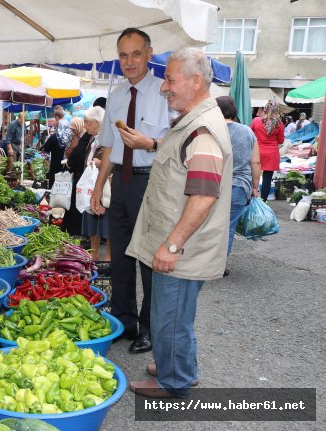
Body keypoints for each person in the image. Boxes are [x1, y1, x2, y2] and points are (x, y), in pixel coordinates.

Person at [126, 48, 233, 398]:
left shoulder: (202, 129)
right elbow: (181, 155)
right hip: (185, 244)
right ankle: (178, 365)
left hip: (183, 247)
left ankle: (175, 383)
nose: (163, 87)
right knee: (176, 314)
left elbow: (203, 196)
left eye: (171, 79)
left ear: (196, 81)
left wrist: (172, 246)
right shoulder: (194, 122)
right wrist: (153, 142)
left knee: (170, 317)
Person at [90, 28, 170, 354]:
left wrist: (149, 143)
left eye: (136, 53)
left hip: (150, 180)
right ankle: (124, 321)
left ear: (149, 54)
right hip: (119, 184)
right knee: (120, 255)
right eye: (123, 55)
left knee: (149, 258)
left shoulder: (165, 93)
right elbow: (108, 147)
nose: (129, 61)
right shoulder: (117, 96)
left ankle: (149, 328)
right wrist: (98, 188)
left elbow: (180, 143)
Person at [216, 96, 260, 268]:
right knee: (228, 228)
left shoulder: (210, 130)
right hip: (239, 186)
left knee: (206, 225)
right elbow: (255, 162)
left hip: (211, 184)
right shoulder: (248, 132)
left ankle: (202, 263)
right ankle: (219, 265)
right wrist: (255, 187)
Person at [78, 107, 111, 261]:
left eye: (87, 122)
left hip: (106, 187)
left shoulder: (108, 138)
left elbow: (114, 161)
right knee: (91, 219)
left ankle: (109, 257)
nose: (85, 126)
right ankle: (94, 253)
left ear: (97, 123)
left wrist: (100, 162)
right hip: (91, 185)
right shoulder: (92, 139)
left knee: (107, 221)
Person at [250, 100, 284, 201]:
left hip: (257, 151)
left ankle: (251, 198)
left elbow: (250, 134)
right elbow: (281, 140)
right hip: (272, 153)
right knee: (267, 179)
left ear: (265, 109)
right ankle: (263, 201)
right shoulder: (279, 124)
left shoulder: (256, 121)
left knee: (252, 174)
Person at [61, 117, 87, 236]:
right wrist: (73, 145)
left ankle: (76, 230)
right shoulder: (73, 137)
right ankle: (71, 228)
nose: (72, 131)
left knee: (79, 202)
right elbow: (68, 152)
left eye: (74, 129)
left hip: (83, 174)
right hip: (74, 171)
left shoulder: (87, 137)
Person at [43, 106, 72, 188]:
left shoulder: (53, 137)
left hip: (55, 167)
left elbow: (45, 151)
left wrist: (46, 159)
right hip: (66, 166)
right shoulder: (70, 137)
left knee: (53, 189)